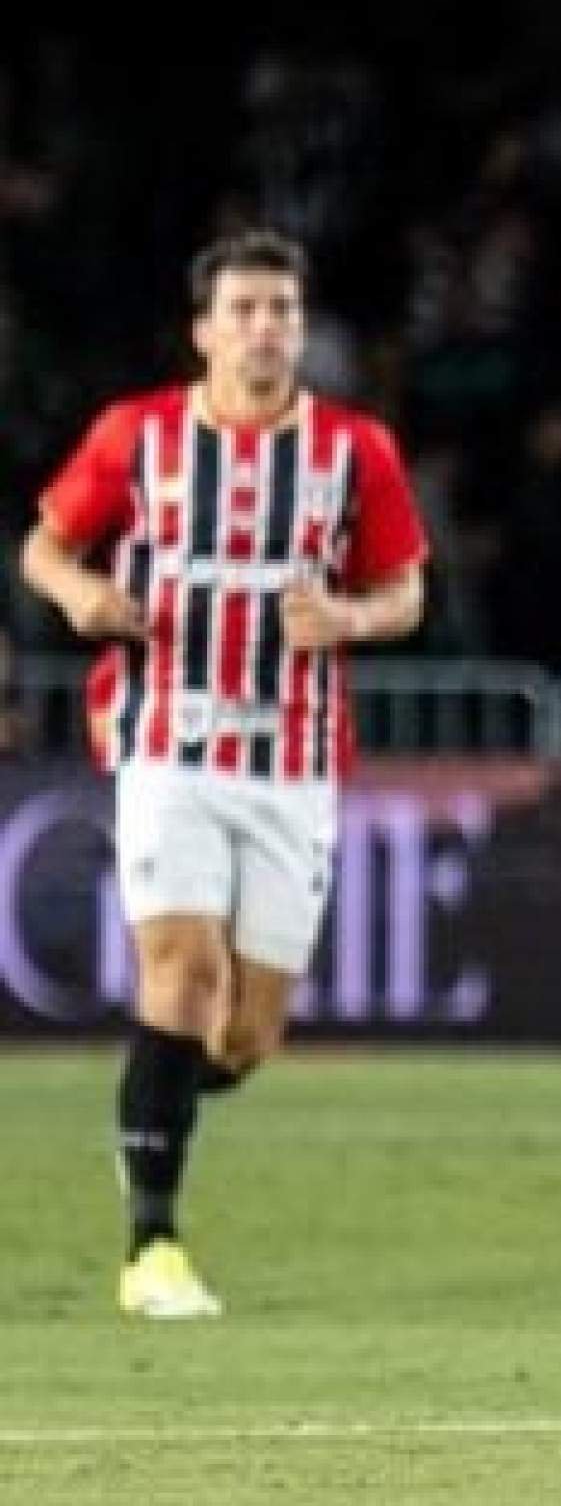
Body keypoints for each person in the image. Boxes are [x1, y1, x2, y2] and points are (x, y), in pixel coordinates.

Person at [20, 229, 429, 1319]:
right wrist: (81, 599)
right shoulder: (137, 435)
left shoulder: (355, 452)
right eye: (243, 309)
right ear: (204, 330)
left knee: (244, 1035)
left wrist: (345, 615)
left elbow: (406, 591)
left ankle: (153, 1109)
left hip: (293, 759)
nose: (264, 328)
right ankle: (152, 1243)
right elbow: (46, 546)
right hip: (166, 737)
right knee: (180, 972)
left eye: (281, 311)